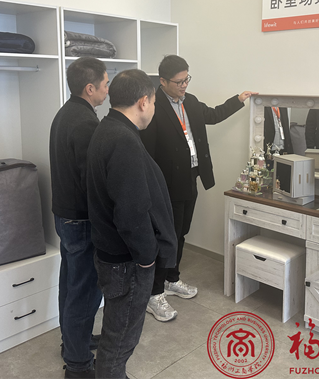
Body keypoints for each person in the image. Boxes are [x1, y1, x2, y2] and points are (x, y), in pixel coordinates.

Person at [140, 54, 257, 322]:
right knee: (165, 237)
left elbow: (213, 115)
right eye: (179, 82)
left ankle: (172, 279)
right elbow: (147, 150)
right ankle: (154, 294)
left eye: (187, 79)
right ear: (163, 81)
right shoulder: (153, 106)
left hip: (189, 177)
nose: (184, 85)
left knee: (181, 232)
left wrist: (238, 100)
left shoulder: (189, 101)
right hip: (165, 182)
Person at [87, 69, 177, 379]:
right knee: (121, 337)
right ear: (143, 102)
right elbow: (131, 212)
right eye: (154, 102)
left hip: (112, 253)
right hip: (126, 261)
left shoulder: (108, 128)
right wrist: (147, 257)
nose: (153, 108)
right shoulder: (122, 140)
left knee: (117, 330)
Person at [49, 57, 109, 379]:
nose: (107, 89)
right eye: (105, 84)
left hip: (65, 216)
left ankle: (73, 342)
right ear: (90, 88)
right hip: (81, 221)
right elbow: (91, 182)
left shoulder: (65, 113)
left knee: (70, 285)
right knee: (85, 292)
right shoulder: (86, 123)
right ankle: (78, 364)